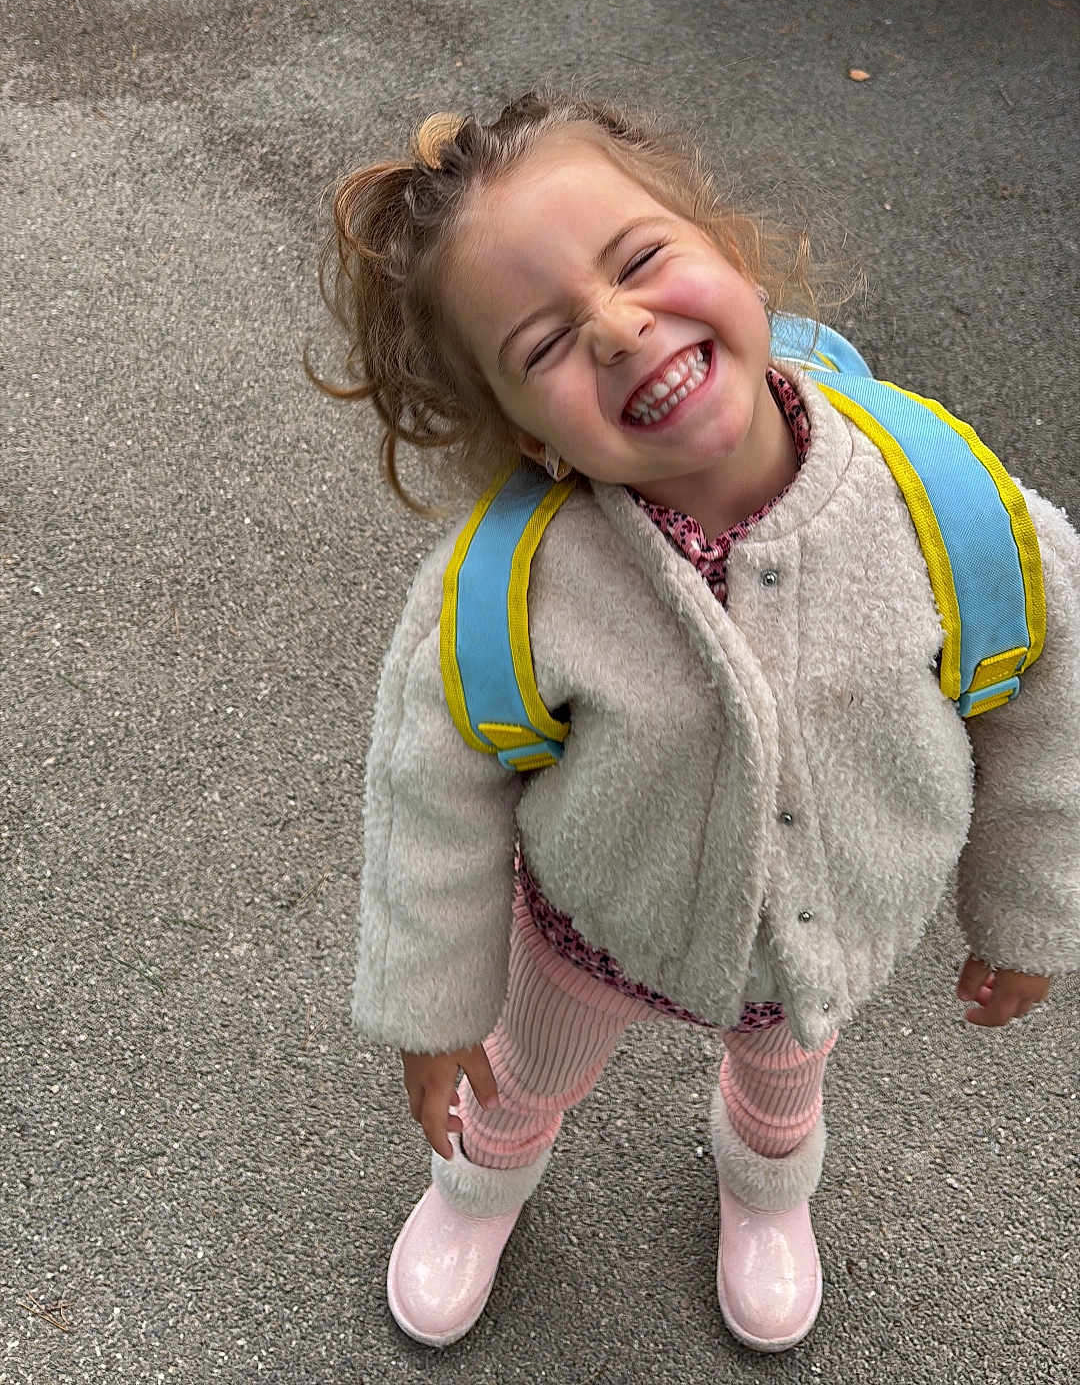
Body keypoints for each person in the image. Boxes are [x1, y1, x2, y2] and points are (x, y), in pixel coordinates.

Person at [313, 91, 1078, 1355]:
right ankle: (478, 1187)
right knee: (521, 1076)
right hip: (590, 927)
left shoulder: (946, 504)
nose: (618, 329)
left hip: (813, 939)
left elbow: (1048, 712)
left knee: (783, 1084)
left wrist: (1032, 912)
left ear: (728, 247)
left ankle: (768, 1190)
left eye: (642, 259)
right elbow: (428, 797)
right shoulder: (512, 591)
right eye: (545, 342)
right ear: (524, 434)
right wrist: (432, 1006)